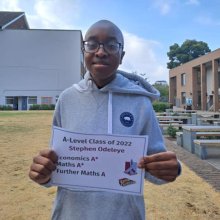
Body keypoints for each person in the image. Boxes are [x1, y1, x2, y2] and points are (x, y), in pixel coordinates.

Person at [29, 20, 181, 220]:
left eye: (111, 45)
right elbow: (57, 163)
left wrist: (172, 169)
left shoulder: (141, 103)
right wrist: (44, 173)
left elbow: (154, 169)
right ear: (83, 51)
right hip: (71, 213)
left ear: (122, 55)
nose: (101, 52)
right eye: (92, 44)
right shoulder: (67, 99)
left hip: (124, 214)